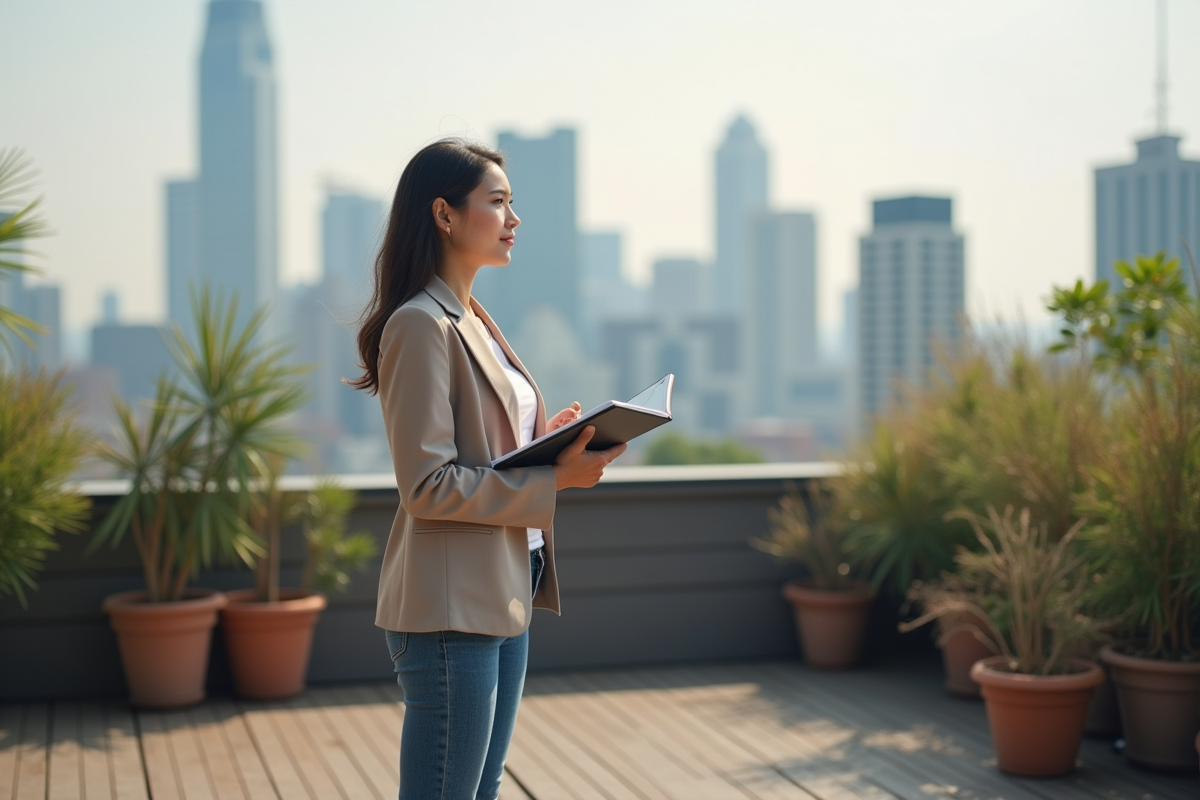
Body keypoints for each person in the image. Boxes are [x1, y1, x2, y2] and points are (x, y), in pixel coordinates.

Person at [350, 138, 626, 799]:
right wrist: (553, 479)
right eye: (497, 202)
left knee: (481, 788)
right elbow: (426, 486)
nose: (514, 218)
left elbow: (478, 449)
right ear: (444, 215)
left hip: (504, 583)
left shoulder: (471, 315)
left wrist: (544, 441)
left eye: (512, 202)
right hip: (452, 607)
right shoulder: (422, 324)